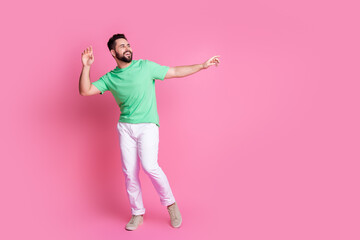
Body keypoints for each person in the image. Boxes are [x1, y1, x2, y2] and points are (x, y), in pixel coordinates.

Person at [79, 33, 220, 231]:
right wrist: (86, 66)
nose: (127, 48)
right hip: (125, 128)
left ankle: (171, 204)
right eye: (122, 46)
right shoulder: (110, 78)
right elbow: (85, 90)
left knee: (149, 165)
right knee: (129, 173)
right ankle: (137, 213)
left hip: (147, 125)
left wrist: (202, 65)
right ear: (113, 52)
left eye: (128, 44)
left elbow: (175, 71)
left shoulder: (145, 66)